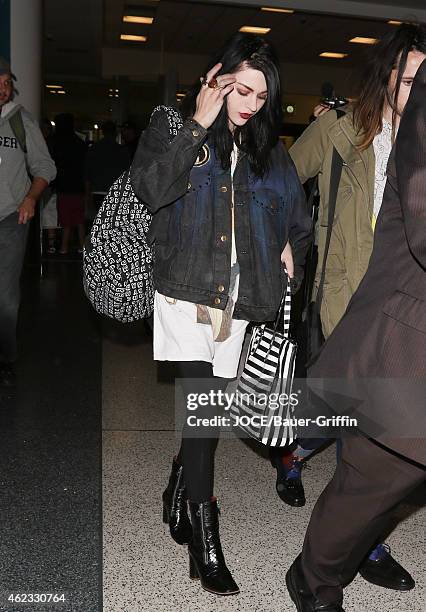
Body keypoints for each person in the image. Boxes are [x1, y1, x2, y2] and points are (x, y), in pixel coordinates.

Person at [130, 33, 311, 596]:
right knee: (205, 408)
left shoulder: (270, 152)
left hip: (240, 301)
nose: (250, 103)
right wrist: (197, 124)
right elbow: (149, 188)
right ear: (219, 75)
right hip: (185, 293)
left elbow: (300, 224)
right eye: (241, 88)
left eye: (261, 95)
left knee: (207, 413)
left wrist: (291, 251)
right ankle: (206, 539)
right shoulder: (175, 128)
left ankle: (180, 483)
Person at [271, 23, 426, 591]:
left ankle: (362, 543)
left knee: (370, 430)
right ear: (388, 78)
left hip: (398, 308)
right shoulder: (341, 128)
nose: (418, 90)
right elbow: (283, 177)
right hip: (345, 295)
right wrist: (286, 237)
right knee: (359, 428)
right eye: (411, 79)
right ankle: (299, 456)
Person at [0, 57, 56, 386]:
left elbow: (45, 167)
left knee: (5, 295)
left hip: (10, 218)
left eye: (7, 83)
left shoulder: (21, 121)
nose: (4, 89)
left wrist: (31, 197)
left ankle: (5, 358)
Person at [50, 113, 87, 255]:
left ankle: (64, 247)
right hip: (78, 186)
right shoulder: (79, 142)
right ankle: (82, 246)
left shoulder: (56, 142)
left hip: (63, 187)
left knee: (65, 219)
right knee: (79, 219)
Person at [85, 121, 130, 219]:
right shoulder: (122, 151)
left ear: (103, 132)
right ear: (115, 133)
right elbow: (127, 175)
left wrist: (88, 195)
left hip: (97, 191)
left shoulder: (94, 149)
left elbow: (88, 174)